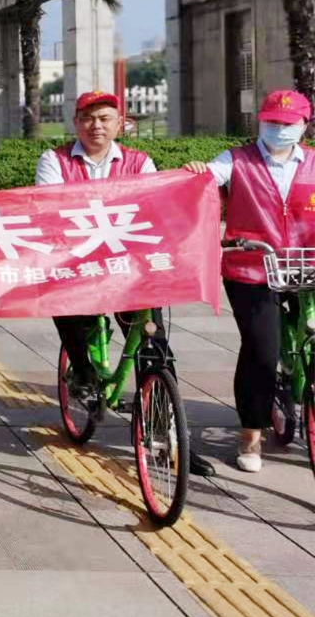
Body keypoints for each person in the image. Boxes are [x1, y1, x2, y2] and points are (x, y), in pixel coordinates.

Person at [39, 90, 215, 477]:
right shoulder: (54, 161)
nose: (96, 126)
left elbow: (156, 203)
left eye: (105, 118)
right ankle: (82, 370)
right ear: (76, 123)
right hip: (78, 265)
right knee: (65, 305)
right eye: (88, 118)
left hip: (128, 268)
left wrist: (190, 178)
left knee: (156, 349)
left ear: (120, 124)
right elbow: (50, 207)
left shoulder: (139, 162)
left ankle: (172, 438)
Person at [184, 89, 315, 473]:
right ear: (260, 121)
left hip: (307, 265)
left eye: (288, 123)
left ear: (304, 125)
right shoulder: (236, 160)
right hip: (252, 267)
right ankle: (251, 433)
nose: (279, 129)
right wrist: (196, 173)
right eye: (272, 122)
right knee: (262, 351)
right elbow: (207, 178)